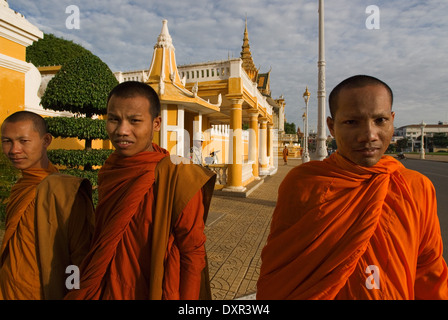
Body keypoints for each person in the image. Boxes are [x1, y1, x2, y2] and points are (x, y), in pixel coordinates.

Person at [257, 75, 448, 299]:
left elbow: (428, 268)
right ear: (331, 126)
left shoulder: (416, 187)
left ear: (392, 120)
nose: (368, 135)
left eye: (380, 120)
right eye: (351, 122)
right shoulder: (303, 183)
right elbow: (281, 268)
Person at [65, 81, 216, 300]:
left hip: (151, 289)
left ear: (156, 124)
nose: (122, 131)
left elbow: (192, 253)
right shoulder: (111, 168)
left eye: (135, 121)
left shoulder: (178, 175)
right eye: (114, 120)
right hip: (106, 286)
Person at [0, 111, 94, 300]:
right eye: (7, 141)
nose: (14, 150)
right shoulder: (21, 187)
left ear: (46, 140)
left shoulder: (65, 191)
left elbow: (79, 257)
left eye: (23, 141)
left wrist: (73, 293)